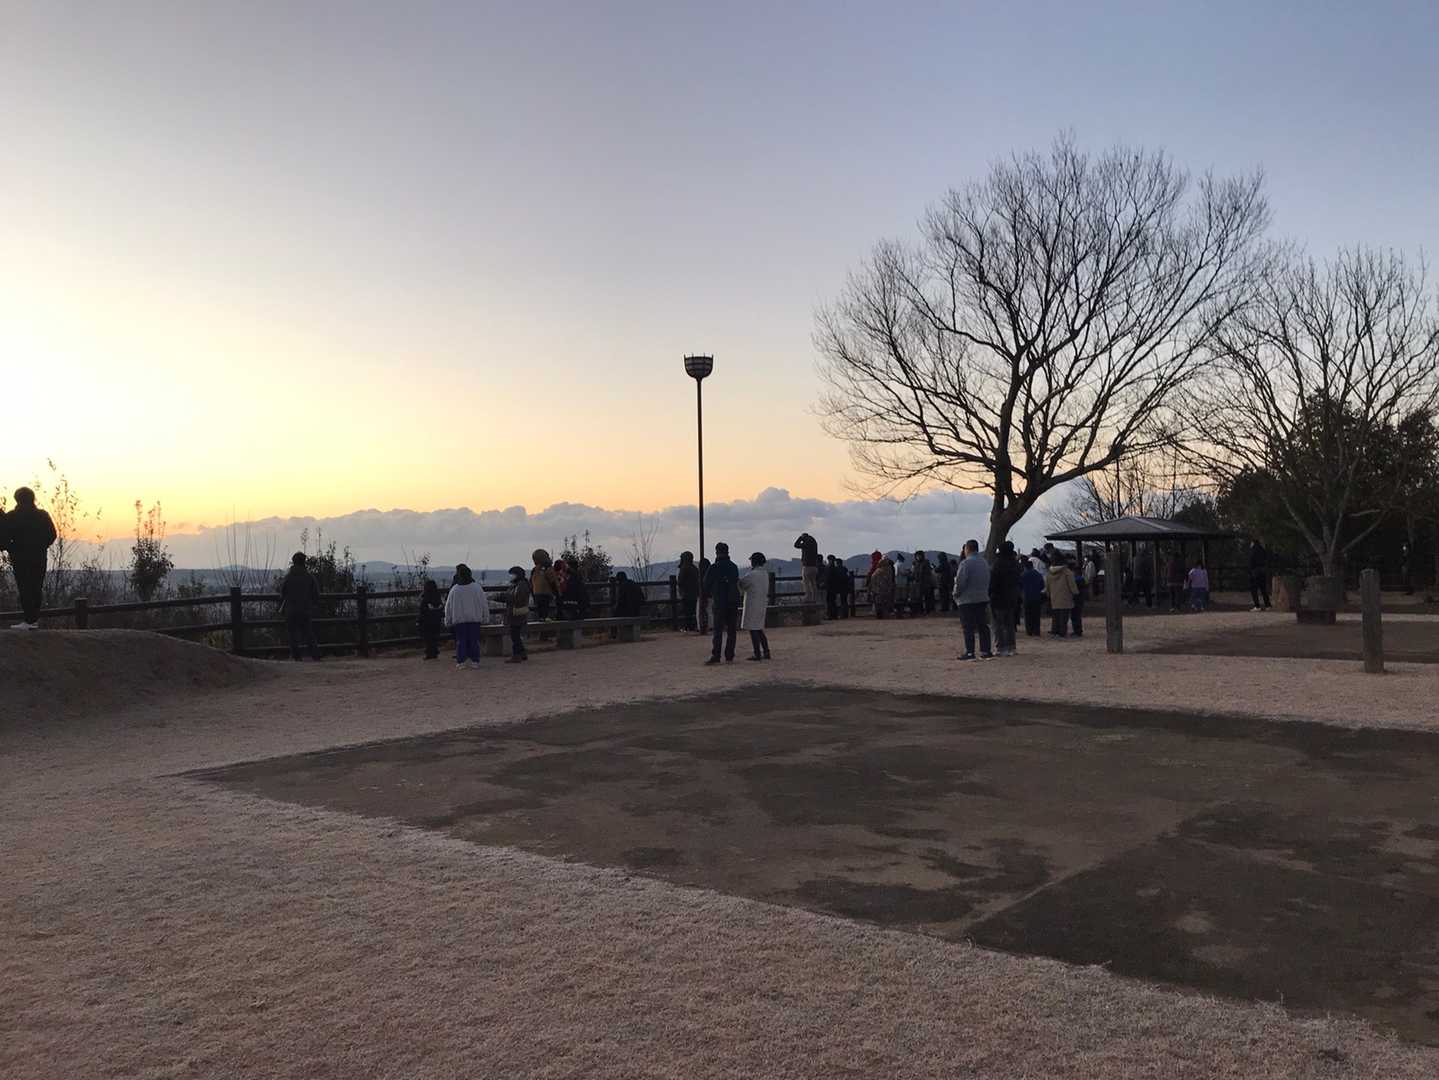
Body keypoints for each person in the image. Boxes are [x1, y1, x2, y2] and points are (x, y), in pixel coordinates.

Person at [3, 487, 57, 629]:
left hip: (20, 558)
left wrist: (12, 548)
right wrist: (41, 546)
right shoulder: (42, 515)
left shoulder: (12, 517)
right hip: (39, 557)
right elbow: (52, 535)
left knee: (25, 588)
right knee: (36, 587)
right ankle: (33, 620)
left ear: (17, 499)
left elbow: (4, 538)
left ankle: (29, 620)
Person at [443, 563, 490, 668]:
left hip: (459, 619)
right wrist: (486, 617)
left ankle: (461, 661)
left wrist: (448, 620)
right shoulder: (477, 588)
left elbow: (448, 606)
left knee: (461, 641)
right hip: (474, 619)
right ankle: (475, 661)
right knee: (474, 641)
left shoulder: (455, 589)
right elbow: (484, 604)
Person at [278, 551, 322, 661]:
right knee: (308, 633)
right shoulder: (309, 577)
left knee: (292, 634)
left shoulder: (288, 577)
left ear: (293, 562)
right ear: (304, 562)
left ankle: (296, 657)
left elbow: (282, 593)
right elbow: (316, 594)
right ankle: (315, 655)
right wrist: (313, 605)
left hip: (291, 610)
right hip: (305, 609)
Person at [953, 539, 993, 660]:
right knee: (983, 625)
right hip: (982, 597)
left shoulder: (965, 563)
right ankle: (986, 651)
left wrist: (955, 594)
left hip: (967, 599)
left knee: (968, 627)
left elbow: (960, 582)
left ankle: (970, 652)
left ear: (967, 549)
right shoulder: (984, 562)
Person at [703, 542, 740, 664]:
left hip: (719, 601)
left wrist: (708, 595)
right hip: (733, 601)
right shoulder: (734, 567)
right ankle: (729, 654)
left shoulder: (714, 567)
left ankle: (716, 655)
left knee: (718, 630)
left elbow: (706, 584)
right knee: (731, 630)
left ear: (716, 552)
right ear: (727, 551)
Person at [989, 541, 1021, 657]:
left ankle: (1000, 647)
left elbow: (993, 582)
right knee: (1009, 624)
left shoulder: (997, 564)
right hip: (1012, 597)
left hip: (998, 597)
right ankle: (1011, 647)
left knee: (998, 624)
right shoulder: (1015, 564)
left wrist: (990, 593)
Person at [739, 552, 772, 661]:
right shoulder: (764, 574)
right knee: (759, 628)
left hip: (752, 604)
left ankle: (757, 653)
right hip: (761, 603)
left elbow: (742, 584)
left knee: (753, 629)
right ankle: (766, 651)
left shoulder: (752, 574)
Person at [496, 565, 533, 662]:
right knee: (515, 634)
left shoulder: (521, 585)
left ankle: (516, 655)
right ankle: (522, 653)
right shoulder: (519, 584)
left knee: (515, 635)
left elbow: (517, 598)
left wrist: (502, 597)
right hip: (517, 613)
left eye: (512, 574)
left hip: (516, 613)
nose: (511, 576)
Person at [1045, 556, 1079, 637]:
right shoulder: (1067, 572)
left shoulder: (1049, 572)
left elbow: (1047, 585)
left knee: (1055, 616)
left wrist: (1048, 594)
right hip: (1065, 597)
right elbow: (1072, 585)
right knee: (1064, 617)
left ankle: (1055, 631)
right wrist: (1075, 593)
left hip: (1054, 597)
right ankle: (1062, 632)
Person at [418, 579, 444, 660]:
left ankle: (429, 653)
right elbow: (441, 607)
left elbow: (422, 610)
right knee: (435, 637)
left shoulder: (425, 597)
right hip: (436, 620)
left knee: (428, 638)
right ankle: (434, 652)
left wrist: (419, 620)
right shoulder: (437, 596)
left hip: (427, 621)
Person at [529, 549, 558, 621]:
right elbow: (552, 581)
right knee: (548, 613)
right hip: (547, 594)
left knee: (540, 614)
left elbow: (531, 583)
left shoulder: (534, 570)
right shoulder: (548, 568)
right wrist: (556, 592)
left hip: (536, 594)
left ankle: (541, 621)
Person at [1020, 557, 1046, 637]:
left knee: (1028, 615)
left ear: (1025, 567)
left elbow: (1020, 586)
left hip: (1026, 597)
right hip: (1036, 597)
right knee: (1036, 615)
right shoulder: (1038, 574)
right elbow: (1042, 585)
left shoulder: (1023, 575)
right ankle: (1036, 631)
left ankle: (1029, 631)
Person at [794, 532, 821, 605]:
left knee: (806, 583)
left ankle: (807, 597)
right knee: (813, 583)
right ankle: (814, 598)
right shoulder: (813, 541)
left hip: (807, 566)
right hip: (814, 566)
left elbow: (796, 545)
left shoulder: (806, 543)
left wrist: (800, 538)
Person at [676, 551, 700, 632]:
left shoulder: (684, 568)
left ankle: (687, 626)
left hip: (686, 593)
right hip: (694, 593)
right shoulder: (695, 568)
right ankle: (692, 626)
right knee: (692, 611)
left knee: (687, 611)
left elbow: (680, 581)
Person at [1249, 539, 1271, 611]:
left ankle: (1257, 606)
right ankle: (1268, 605)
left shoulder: (1253, 550)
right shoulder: (1262, 550)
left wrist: (1251, 570)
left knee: (1254, 589)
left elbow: (1251, 560)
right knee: (1263, 589)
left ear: (1253, 543)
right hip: (1263, 571)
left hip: (1255, 571)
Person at [912, 550, 935, 615]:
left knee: (927, 598)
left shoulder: (926, 563)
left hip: (925, 583)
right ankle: (921, 610)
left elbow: (927, 573)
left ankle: (927, 610)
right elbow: (915, 573)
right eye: (917, 556)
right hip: (919, 583)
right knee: (919, 598)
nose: (918, 557)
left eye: (919, 556)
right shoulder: (916, 563)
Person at [1069, 556, 1086, 638]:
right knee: (1077, 616)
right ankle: (1078, 630)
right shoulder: (1081, 579)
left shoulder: (1076, 580)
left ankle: (1077, 631)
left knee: (1075, 616)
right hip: (1080, 599)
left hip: (1076, 599)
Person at [823, 555, 843, 620]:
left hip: (830, 587)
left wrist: (824, 583)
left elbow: (828, 577)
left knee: (830, 601)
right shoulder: (835, 568)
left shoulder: (829, 568)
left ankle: (831, 615)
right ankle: (834, 615)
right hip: (834, 587)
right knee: (833, 601)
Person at [697, 553, 712, 634]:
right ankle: (711, 626)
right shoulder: (711, 573)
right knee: (710, 611)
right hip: (711, 595)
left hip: (703, 595)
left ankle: (701, 626)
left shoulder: (700, 575)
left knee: (701, 612)